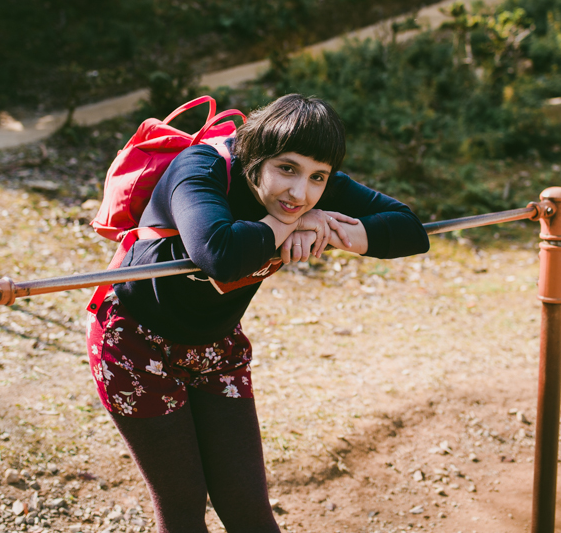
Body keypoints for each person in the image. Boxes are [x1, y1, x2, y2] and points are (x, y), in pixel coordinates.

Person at [86, 94, 430, 532]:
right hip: (135, 343)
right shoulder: (200, 169)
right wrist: (292, 223)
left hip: (217, 345)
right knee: (183, 508)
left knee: (248, 506)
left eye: (317, 178)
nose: (299, 192)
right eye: (286, 169)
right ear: (255, 154)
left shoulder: (309, 185)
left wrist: (340, 228)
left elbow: (410, 228)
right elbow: (219, 253)